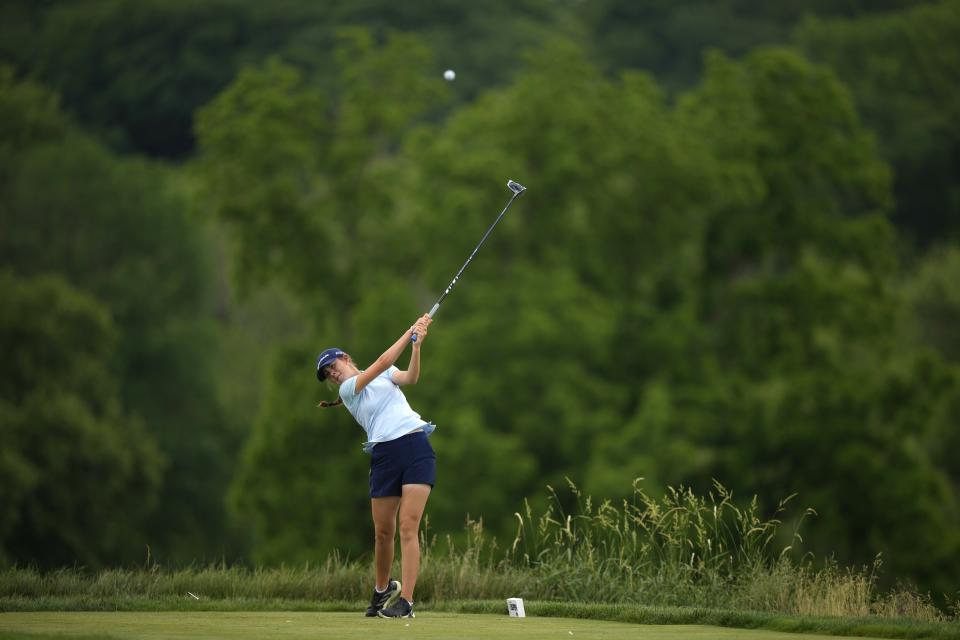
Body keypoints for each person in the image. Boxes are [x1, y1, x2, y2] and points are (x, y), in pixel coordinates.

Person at [315, 313, 435, 619]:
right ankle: (382, 589)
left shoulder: (384, 374)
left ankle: (406, 601)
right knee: (383, 533)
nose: (333, 374)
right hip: (385, 455)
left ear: (345, 358)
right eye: (328, 374)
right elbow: (382, 361)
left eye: (333, 367)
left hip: (416, 445)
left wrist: (417, 346)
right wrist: (409, 331)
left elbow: (410, 378)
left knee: (408, 527)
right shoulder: (349, 390)